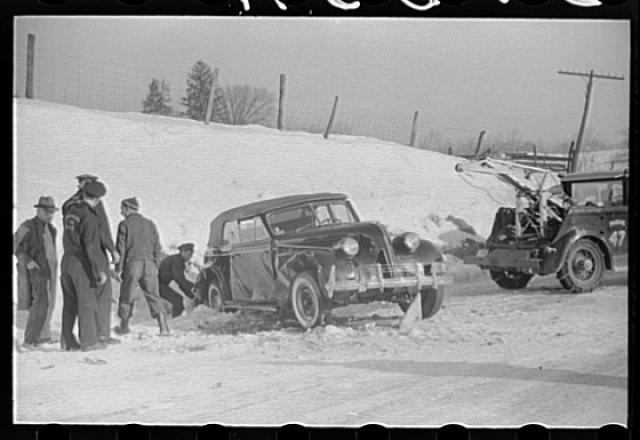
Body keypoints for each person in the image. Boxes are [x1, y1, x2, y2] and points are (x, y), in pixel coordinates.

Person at [63, 174, 120, 345]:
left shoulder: (70, 206)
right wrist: (110, 251)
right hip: (89, 257)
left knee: (71, 301)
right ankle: (92, 339)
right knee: (91, 299)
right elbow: (98, 232)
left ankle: (68, 340)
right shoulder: (91, 210)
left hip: (69, 256)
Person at [114, 197, 171, 336]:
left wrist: (118, 269)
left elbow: (121, 250)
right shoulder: (150, 223)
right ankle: (163, 327)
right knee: (154, 295)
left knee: (127, 295)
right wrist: (156, 264)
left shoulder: (124, 224)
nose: (121, 212)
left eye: (122, 208)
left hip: (133, 263)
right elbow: (157, 246)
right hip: (150, 264)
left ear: (127, 208)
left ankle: (124, 327)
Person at [13, 196, 59, 350]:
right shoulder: (27, 226)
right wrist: (27, 260)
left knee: (49, 303)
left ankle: (42, 337)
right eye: (46, 212)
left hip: (50, 271)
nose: (49, 215)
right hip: (36, 272)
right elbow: (15, 245)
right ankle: (29, 341)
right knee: (40, 304)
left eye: (52, 212)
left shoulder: (51, 229)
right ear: (38, 211)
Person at [158, 243, 198, 318]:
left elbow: (181, 283)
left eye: (191, 254)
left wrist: (191, 296)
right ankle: (175, 321)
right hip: (157, 284)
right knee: (178, 300)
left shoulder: (177, 260)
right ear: (183, 252)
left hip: (159, 284)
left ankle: (175, 318)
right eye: (189, 254)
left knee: (177, 300)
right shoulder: (177, 261)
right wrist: (193, 286)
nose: (190, 257)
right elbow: (179, 279)